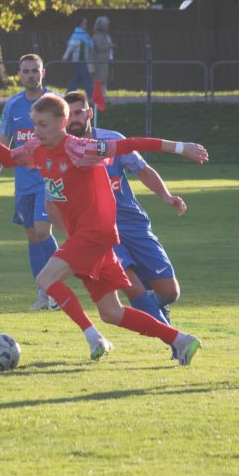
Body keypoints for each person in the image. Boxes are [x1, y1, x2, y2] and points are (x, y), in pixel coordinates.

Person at [0, 95, 207, 364]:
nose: (36, 131)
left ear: (62, 123)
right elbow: (7, 157)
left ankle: (94, 338)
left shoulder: (81, 149)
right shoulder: (36, 147)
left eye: (43, 125)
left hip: (95, 234)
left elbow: (130, 144)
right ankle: (181, 340)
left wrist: (181, 148)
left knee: (45, 279)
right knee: (111, 312)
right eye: (34, 124)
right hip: (86, 238)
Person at [63, 91, 185, 329]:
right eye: (69, 115)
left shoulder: (112, 140)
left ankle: (155, 307)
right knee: (132, 286)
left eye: (79, 113)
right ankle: (173, 338)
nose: (74, 119)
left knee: (170, 292)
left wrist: (166, 195)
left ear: (89, 113)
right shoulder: (63, 150)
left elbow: (142, 169)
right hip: (100, 231)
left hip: (133, 223)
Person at [0, 54, 60, 310]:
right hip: (23, 183)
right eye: (26, 71)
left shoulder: (55, 102)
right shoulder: (13, 105)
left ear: (43, 73)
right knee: (32, 236)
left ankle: (57, 290)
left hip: (49, 180)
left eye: (35, 70)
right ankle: (43, 293)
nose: (31, 75)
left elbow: (70, 139)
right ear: (19, 75)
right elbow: (3, 144)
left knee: (42, 231)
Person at [62, 18, 94, 98]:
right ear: (80, 24)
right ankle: (91, 95)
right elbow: (70, 47)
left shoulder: (85, 35)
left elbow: (90, 46)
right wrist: (65, 57)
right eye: (84, 23)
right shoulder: (76, 36)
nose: (86, 25)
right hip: (79, 60)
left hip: (83, 60)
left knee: (77, 79)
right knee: (86, 78)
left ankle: (68, 93)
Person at [91, 16, 115, 100]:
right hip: (100, 60)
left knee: (105, 77)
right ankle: (99, 96)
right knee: (100, 78)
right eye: (106, 25)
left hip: (107, 59)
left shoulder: (106, 35)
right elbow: (99, 46)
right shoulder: (97, 35)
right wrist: (110, 46)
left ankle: (103, 94)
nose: (107, 26)